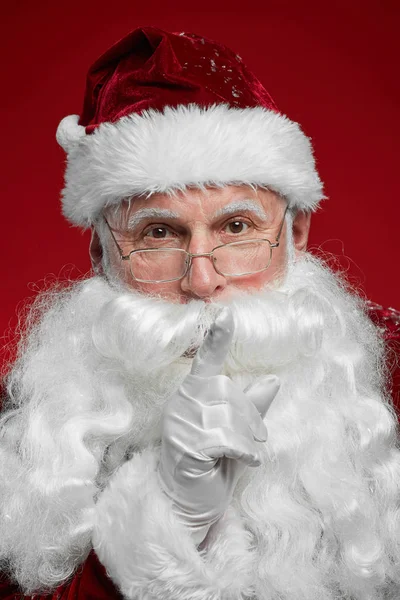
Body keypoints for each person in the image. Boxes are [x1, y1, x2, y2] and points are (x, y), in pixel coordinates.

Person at [1, 26, 399, 600]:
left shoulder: (394, 374)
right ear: (99, 253)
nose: (203, 280)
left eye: (237, 228)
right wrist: (169, 519)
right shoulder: (26, 422)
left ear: (298, 234)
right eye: (158, 233)